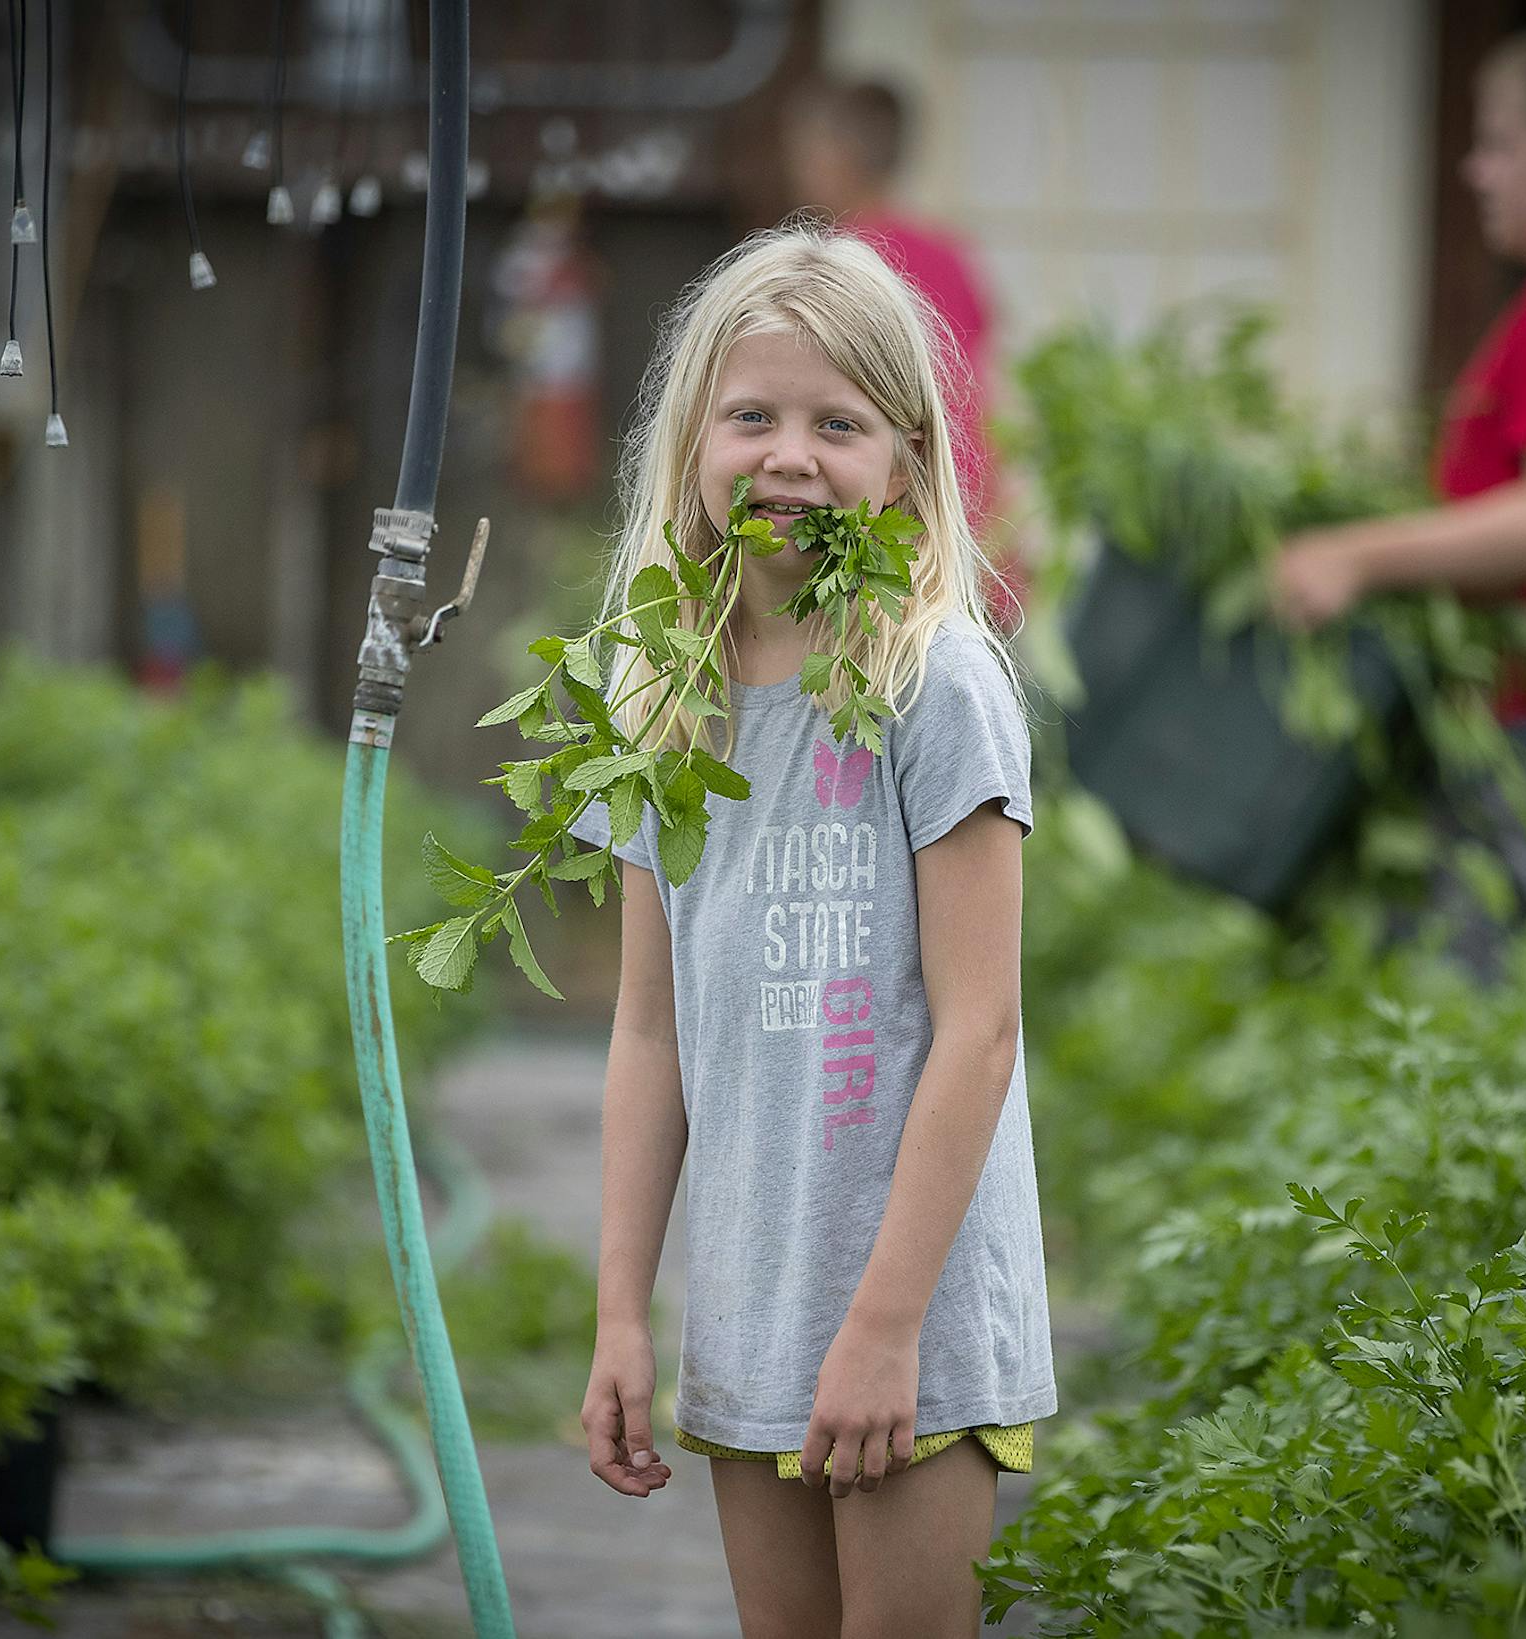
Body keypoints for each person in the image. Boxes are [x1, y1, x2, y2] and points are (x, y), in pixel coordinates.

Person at [568, 225, 1055, 1636]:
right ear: (692, 441)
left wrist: (888, 1319)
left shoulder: (932, 678)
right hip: (755, 1297)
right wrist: (619, 1313)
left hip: (917, 1309)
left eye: (836, 422)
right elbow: (650, 1029)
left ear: (904, 456)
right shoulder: (660, 690)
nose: (789, 455)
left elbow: (979, 1028)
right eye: (753, 415)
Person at [1268, 15, 1526, 982]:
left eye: (1500, 144)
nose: (1476, 171)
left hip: (1524, 738)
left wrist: (1355, 555)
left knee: (1436, 1013)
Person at [783, 75, 1030, 632]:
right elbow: (987, 410)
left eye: (805, 152)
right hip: (966, 532)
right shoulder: (950, 256)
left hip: (878, 538)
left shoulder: (834, 268)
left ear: (836, 155)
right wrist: (1008, 544)